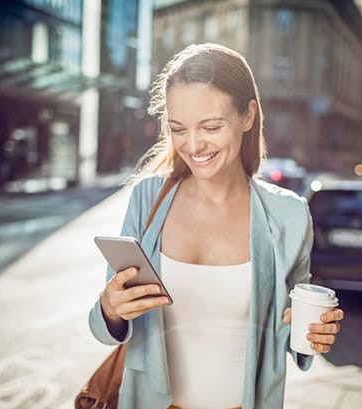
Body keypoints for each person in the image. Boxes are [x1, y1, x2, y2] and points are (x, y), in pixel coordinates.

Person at [89, 43, 345, 409]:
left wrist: (314, 333)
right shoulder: (148, 198)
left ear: (248, 116)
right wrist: (111, 308)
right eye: (178, 128)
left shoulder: (288, 214)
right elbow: (106, 325)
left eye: (210, 126)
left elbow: (290, 329)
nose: (193, 145)